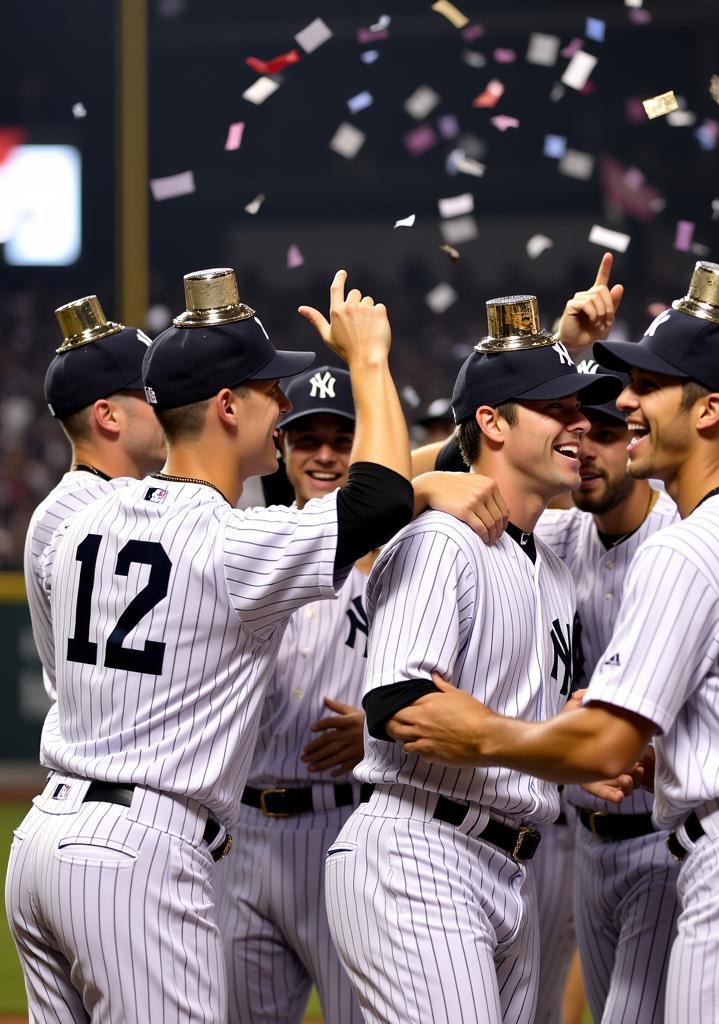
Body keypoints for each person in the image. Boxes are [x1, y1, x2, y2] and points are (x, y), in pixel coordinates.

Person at [389, 262, 719, 1024]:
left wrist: (482, 732)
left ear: (710, 409)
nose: (623, 403)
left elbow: (600, 748)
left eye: (648, 389)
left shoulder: (686, 548)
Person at [4, 267, 413, 1023]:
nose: (285, 404)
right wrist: (370, 360)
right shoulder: (231, 542)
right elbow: (381, 497)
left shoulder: (82, 516)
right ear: (227, 406)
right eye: (271, 391)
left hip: (43, 842)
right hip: (139, 852)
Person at [323, 294, 621, 1024]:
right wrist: (538, 742)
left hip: (507, 863)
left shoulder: (549, 566)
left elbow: (510, 710)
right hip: (419, 851)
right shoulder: (442, 540)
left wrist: (573, 733)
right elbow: (396, 704)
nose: (579, 424)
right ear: (491, 422)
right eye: (556, 409)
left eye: (580, 409)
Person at [216, 362, 510, 1024]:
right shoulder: (253, 545)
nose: (323, 454)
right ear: (281, 449)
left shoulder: (392, 546)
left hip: (343, 819)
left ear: (365, 449)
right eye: (306, 438)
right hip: (246, 832)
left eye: (341, 439)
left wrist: (377, 731)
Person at [534, 361, 680, 1024]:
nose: (582, 448)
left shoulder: (683, 537)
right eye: (571, 431)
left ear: (636, 440)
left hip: (664, 837)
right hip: (581, 846)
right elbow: (449, 464)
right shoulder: (557, 537)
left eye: (602, 430)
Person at [25, 296, 165, 714]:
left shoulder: (51, 513)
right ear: (108, 416)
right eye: (150, 393)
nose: (167, 404)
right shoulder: (125, 512)